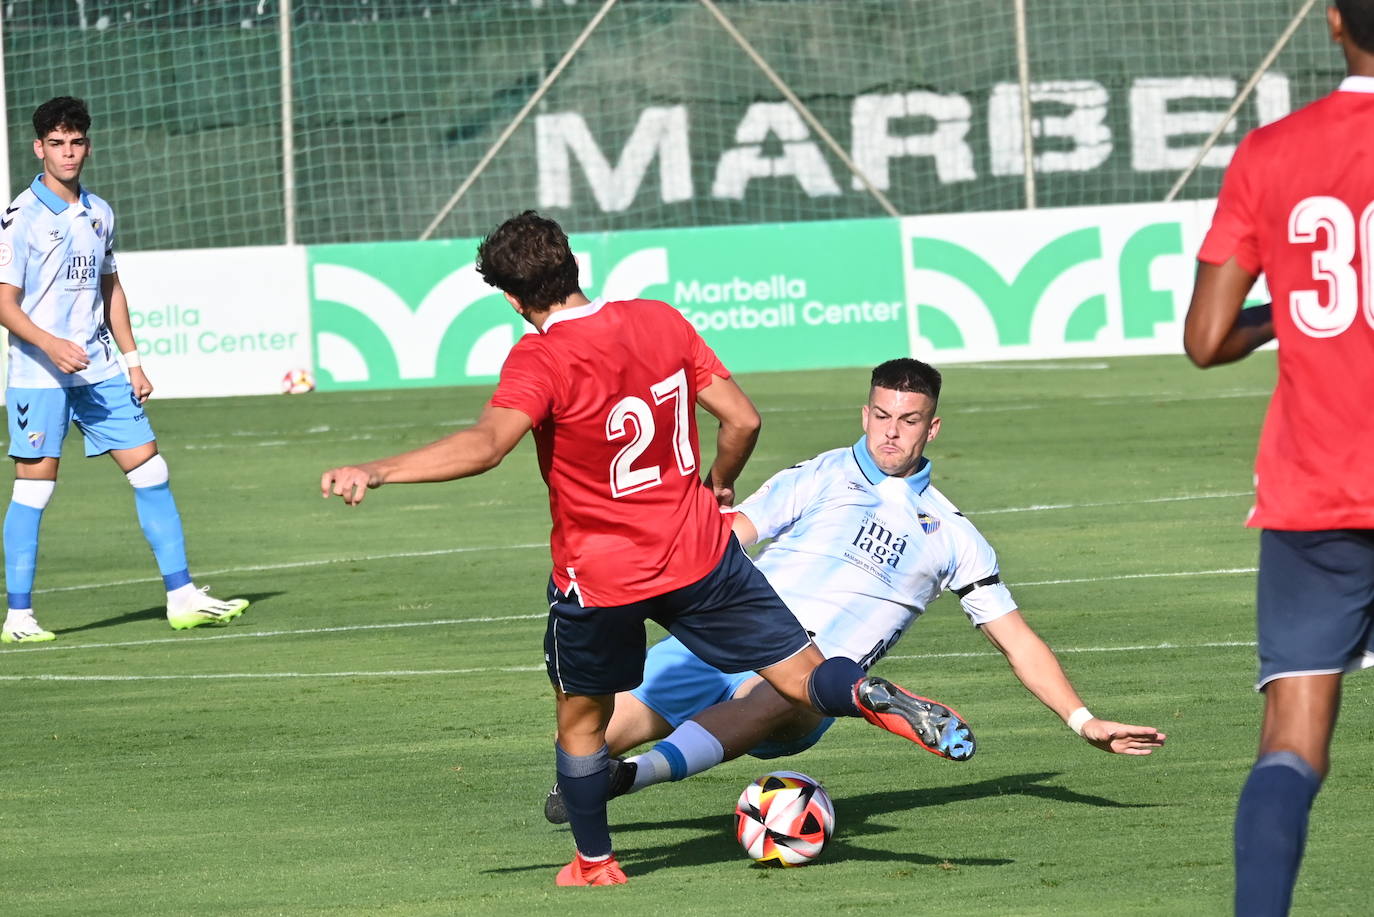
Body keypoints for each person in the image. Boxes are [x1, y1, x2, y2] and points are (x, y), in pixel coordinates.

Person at [320, 212, 976, 887]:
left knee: (581, 726)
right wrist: (720, 483)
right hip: (699, 553)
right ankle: (860, 690)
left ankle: (594, 861)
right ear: (572, 265)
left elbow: (487, 446)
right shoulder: (659, 321)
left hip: (600, 578)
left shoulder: (540, 355)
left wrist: (378, 470)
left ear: (514, 300)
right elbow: (743, 418)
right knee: (803, 680)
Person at [543, 358, 1166, 823]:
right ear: (865, 414)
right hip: (728, 631)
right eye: (882, 416)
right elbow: (730, 536)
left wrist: (1082, 721)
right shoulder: (821, 474)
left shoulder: (954, 535)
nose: (891, 433)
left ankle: (636, 777)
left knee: (783, 694)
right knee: (582, 746)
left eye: (909, 420)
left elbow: (1017, 641)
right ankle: (606, 784)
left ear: (933, 428)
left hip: (808, 676)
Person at [1184, 4, 1374, 914]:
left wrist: (1288, 315)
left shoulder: (1272, 152)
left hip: (1316, 495)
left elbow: (1208, 338)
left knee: (1293, 739)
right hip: (1320, 493)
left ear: (1335, 23)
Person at [0, 96, 248, 644]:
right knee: (34, 491)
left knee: (150, 471)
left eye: (77, 142)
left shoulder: (100, 211)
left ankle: (182, 598)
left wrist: (132, 361)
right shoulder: (21, 218)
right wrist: (50, 344)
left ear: (88, 144)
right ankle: (18, 619)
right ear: (39, 148)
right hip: (40, 375)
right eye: (57, 144)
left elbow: (109, 288)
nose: (69, 153)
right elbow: (3, 302)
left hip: (100, 368)